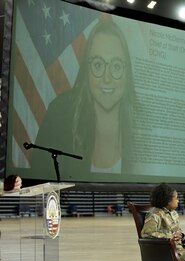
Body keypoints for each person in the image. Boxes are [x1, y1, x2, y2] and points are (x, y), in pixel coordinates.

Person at [32, 19, 136, 180]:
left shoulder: (142, 121)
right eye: (98, 64)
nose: (107, 78)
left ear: (127, 72)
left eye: (116, 66)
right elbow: (38, 176)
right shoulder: (59, 113)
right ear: (87, 69)